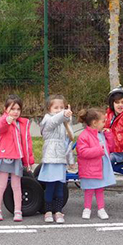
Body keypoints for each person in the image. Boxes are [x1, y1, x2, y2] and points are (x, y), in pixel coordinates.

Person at [0, 94, 34, 222]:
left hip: (17, 158)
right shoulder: (3, 120)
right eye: (12, 109)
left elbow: (27, 143)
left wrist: (29, 161)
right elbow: (1, 127)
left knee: (17, 186)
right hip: (5, 157)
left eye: (18, 109)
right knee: (2, 185)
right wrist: (7, 120)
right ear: (6, 109)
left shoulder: (23, 124)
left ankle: (18, 211)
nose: (15, 112)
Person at [38, 95, 74, 224]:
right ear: (49, 109)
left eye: (62, 107)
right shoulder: (47, 120)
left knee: (60, 187)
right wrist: (64, 114)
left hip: (60, 160)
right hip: (50, 159)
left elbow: (68, 142)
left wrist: (70, 161)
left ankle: (58, 211)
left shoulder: (63, 123)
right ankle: (48, 211)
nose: (59, 110)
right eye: (56, 107)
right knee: (50, 186)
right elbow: (54, 122)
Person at [77, 108, 116, 220]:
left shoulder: (101, 134)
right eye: (103, 121)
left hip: (100, 167)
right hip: (90, 168)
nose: (105, 123)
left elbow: (111, 148)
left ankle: (101, 208)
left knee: (99, 189)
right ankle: (87, 208)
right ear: (94, 123)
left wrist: (109, 137)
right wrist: (99, 150)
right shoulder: (84, 136)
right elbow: (82, 152)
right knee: (89, 189)